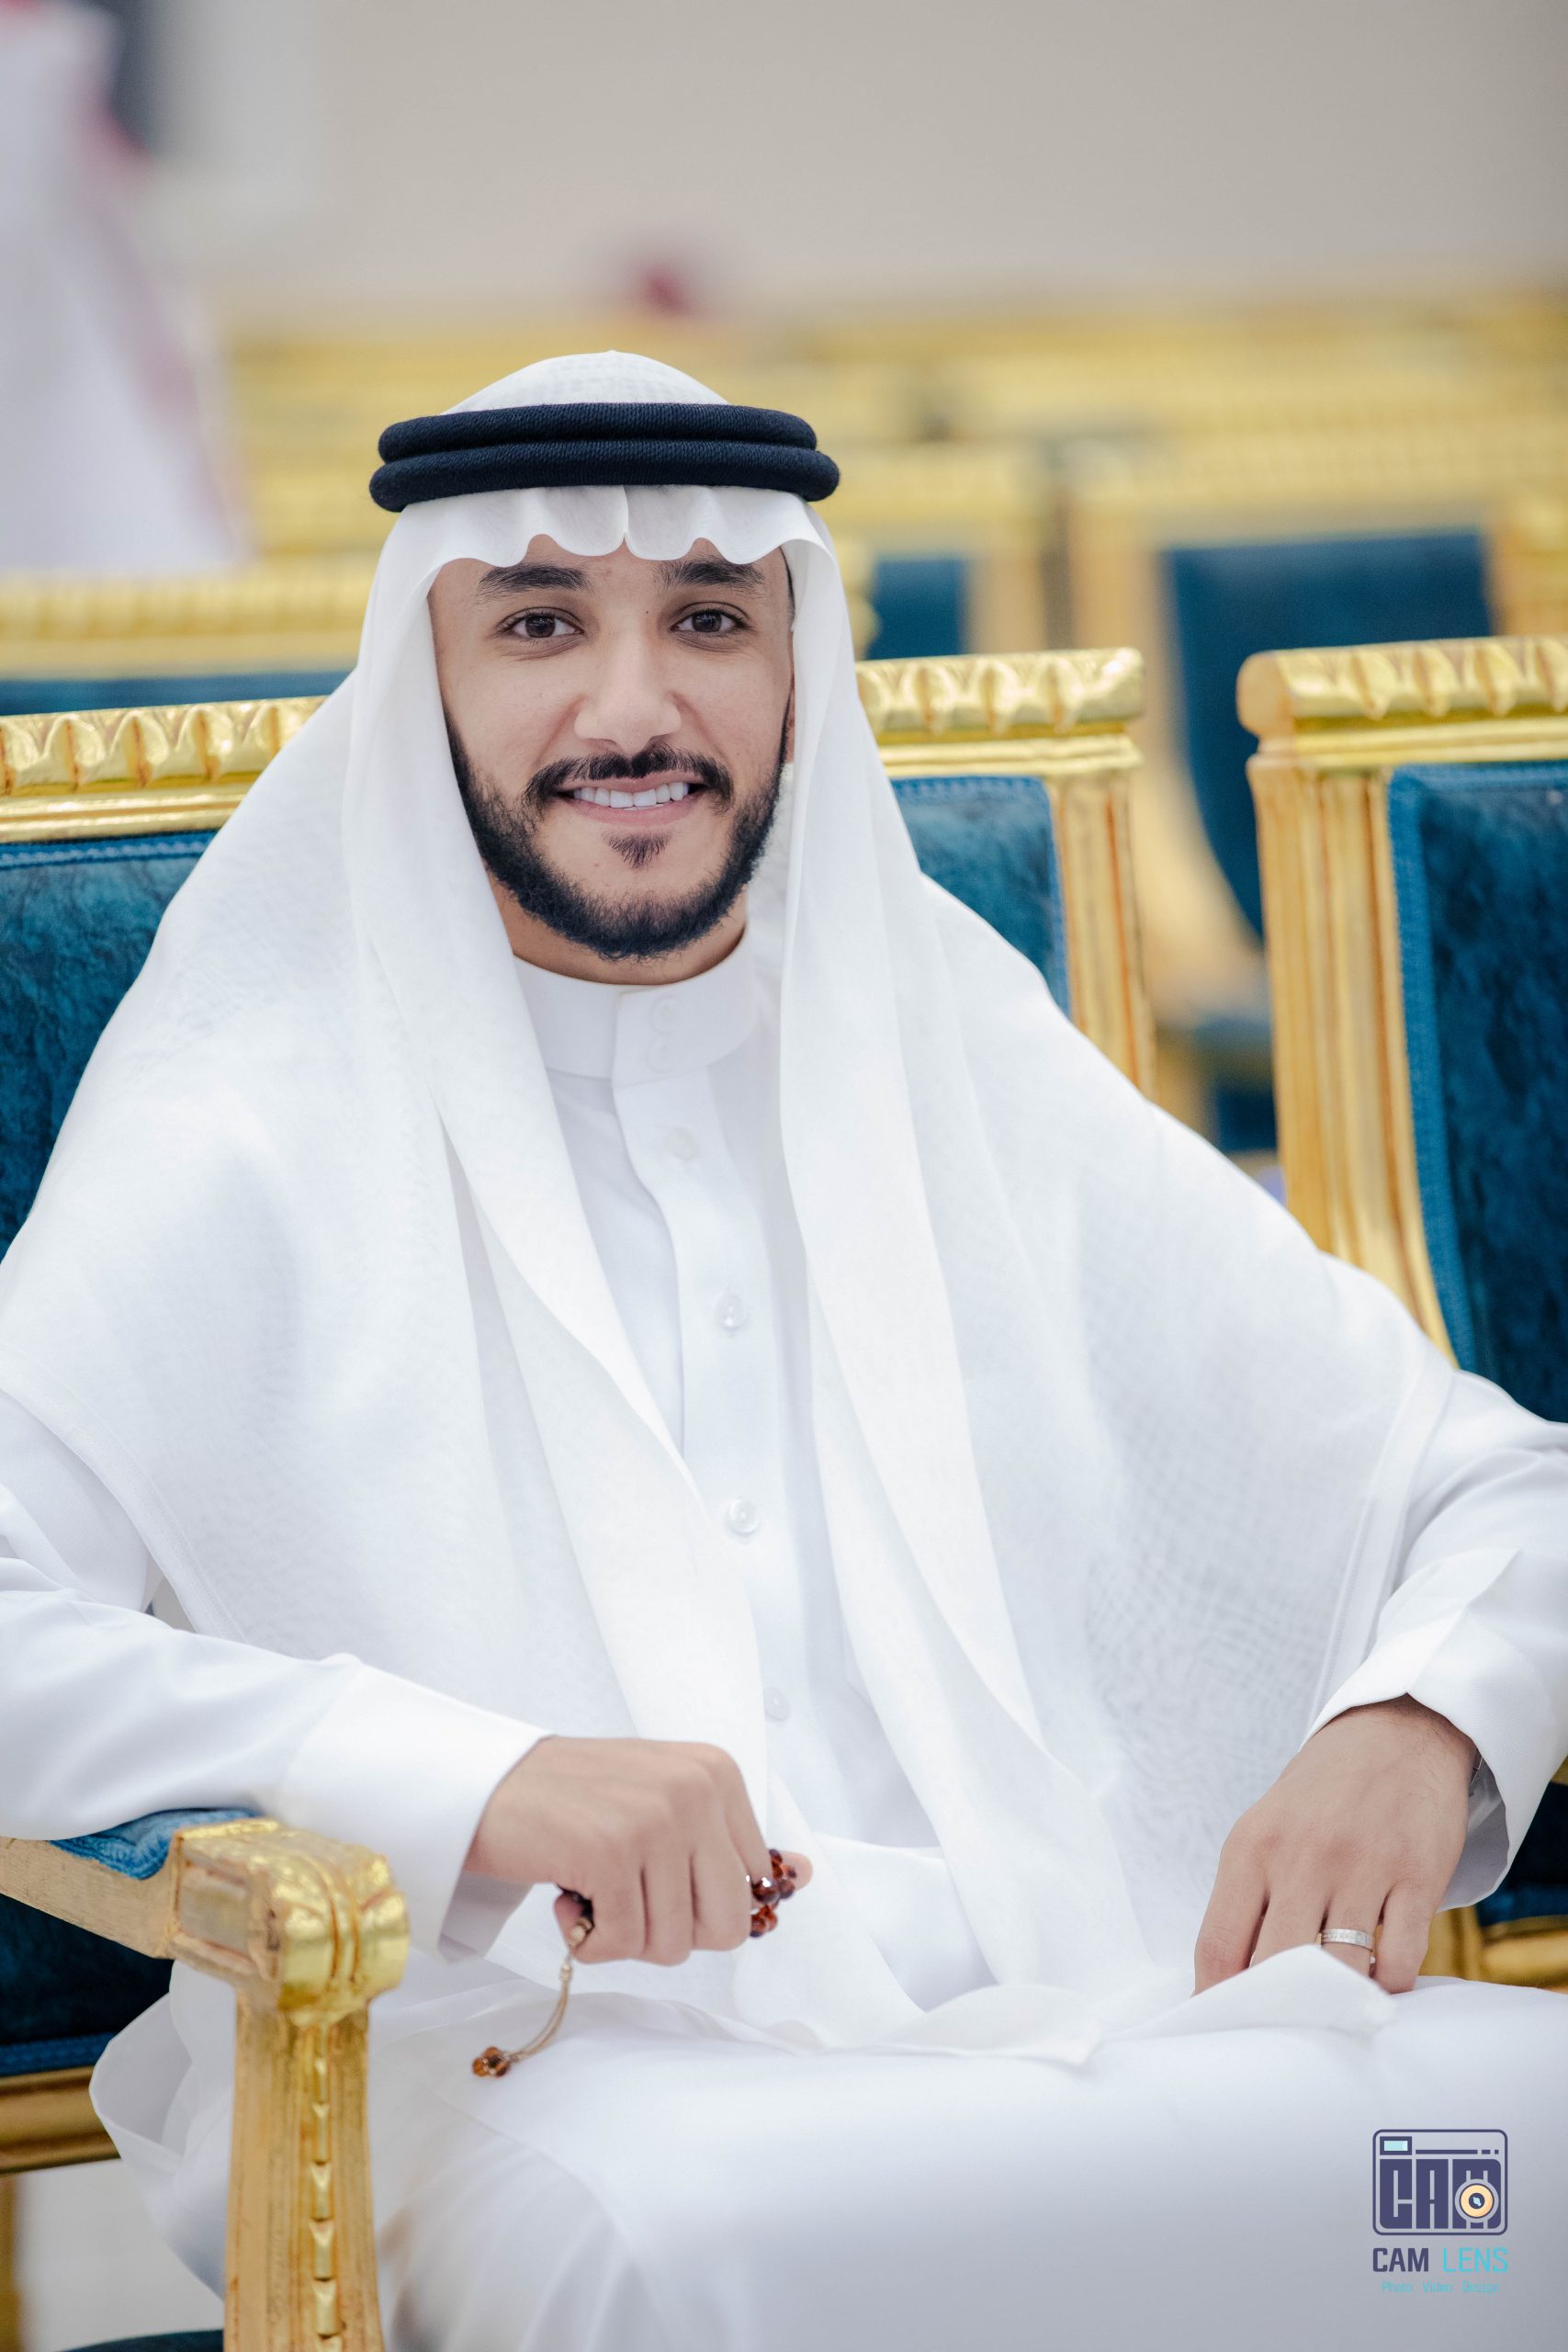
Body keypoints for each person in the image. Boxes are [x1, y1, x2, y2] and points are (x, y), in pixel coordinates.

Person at [1, 350, 1565, 2351]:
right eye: (541, 624)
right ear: (425, 679)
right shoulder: (254, 1110)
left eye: (709, 622)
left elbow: (1497, 1482)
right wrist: (482, 1782)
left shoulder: (944, 1037)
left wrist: (1416, 1724)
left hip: (1078, 2001)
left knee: (1509, 2172)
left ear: (796, 668)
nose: (631, 708)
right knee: (721, 2265)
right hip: (548, 2062)